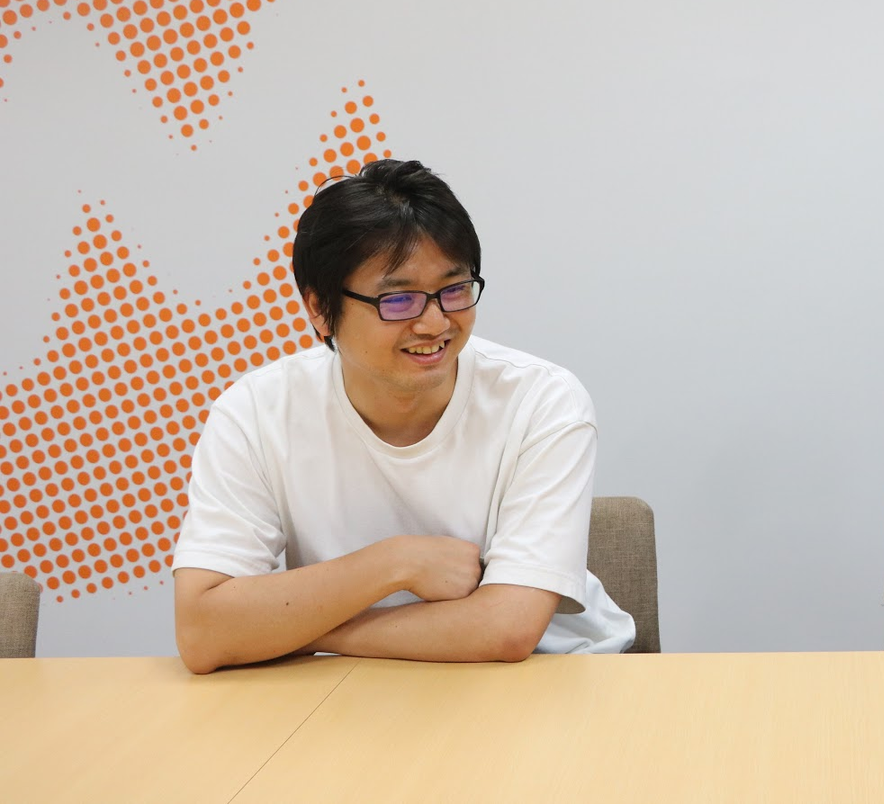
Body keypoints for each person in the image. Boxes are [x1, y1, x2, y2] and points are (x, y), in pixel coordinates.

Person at [173, 159, 634, 673]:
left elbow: (507, 629)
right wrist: (395, 564)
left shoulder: (541, 400)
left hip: (554, 672)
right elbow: (202, 633)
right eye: (398, 300)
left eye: (454, 290)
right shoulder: (257, 412)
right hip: (359, 681)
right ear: (320, 309)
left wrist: (295, 633)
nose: (435, 323)